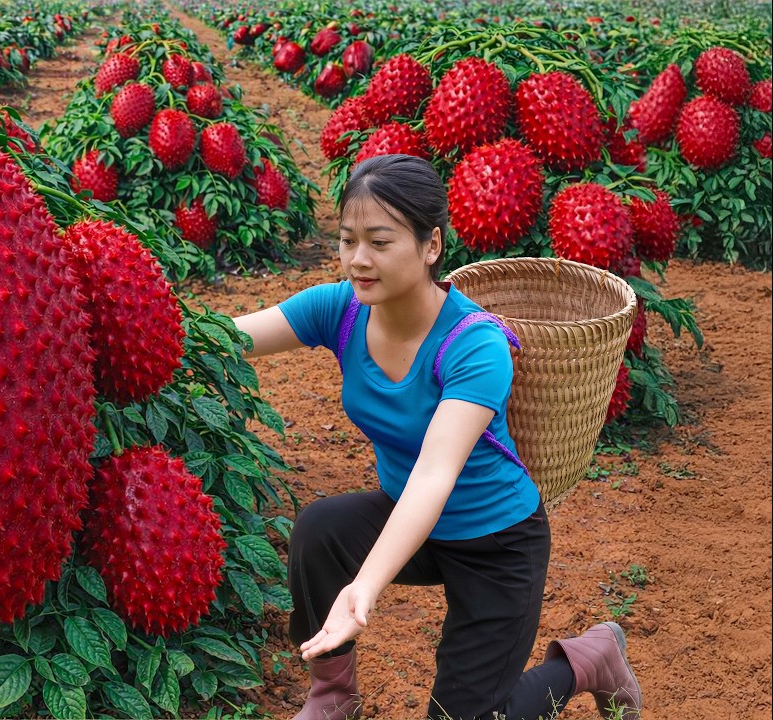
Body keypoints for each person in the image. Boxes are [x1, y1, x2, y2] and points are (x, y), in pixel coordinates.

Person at [231, 154, 641, 720]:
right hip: (416, 528)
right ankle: (332, 695)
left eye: (379, 241)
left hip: (497, 545)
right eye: (347, 240)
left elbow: (433, 474)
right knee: (320, 532)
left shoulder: (475, 345)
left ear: (431, 246)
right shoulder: (340, 310)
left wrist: (364, 588)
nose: (358, 260)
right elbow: (229, 339)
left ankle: (588, 658)